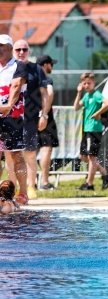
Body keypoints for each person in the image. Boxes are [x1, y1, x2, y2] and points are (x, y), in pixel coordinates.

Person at [13, 40, 49, 200]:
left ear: (29, 51)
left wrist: (44, 115)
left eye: (24, 49)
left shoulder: (36, 69)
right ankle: (13, 189)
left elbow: (45, 94)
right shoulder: (9, 68)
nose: (21, 52)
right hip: (11, 118)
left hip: (30, 118)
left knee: (29, 153)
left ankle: (31, 186)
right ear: (12, 50)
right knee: (11, 154)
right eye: (18, 49)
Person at [73, 73, 108, 191]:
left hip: (94, 129)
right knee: (82, 156)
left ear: (94, 83)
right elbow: (76, 107)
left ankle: (89, 184)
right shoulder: (86, 96)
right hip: (86, 129)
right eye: (84, 83)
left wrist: (98, 113)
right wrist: (78, 92)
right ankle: (105, 173)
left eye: (89, 83)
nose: (86, 85)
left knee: (92, 157)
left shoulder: (96, 95)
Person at [0, 34, 29, 205]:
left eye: (3, 46)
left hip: (14, 117)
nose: (0, 49)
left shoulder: (18, 66)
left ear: (10, 49)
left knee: (16, 154)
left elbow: (16, 88)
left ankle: (23, 193)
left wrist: (8, 106)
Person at [36, 54, 60, 190]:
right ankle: (45, 182)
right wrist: (44, 113)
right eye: (52, 64)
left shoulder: (31, 78)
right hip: (45, 118)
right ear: (45, 65)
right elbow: (49, 93)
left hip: (31, 118)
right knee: (46, 149)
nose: (52, 67)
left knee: (32, 150)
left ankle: (30, 182)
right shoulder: (46, 78)